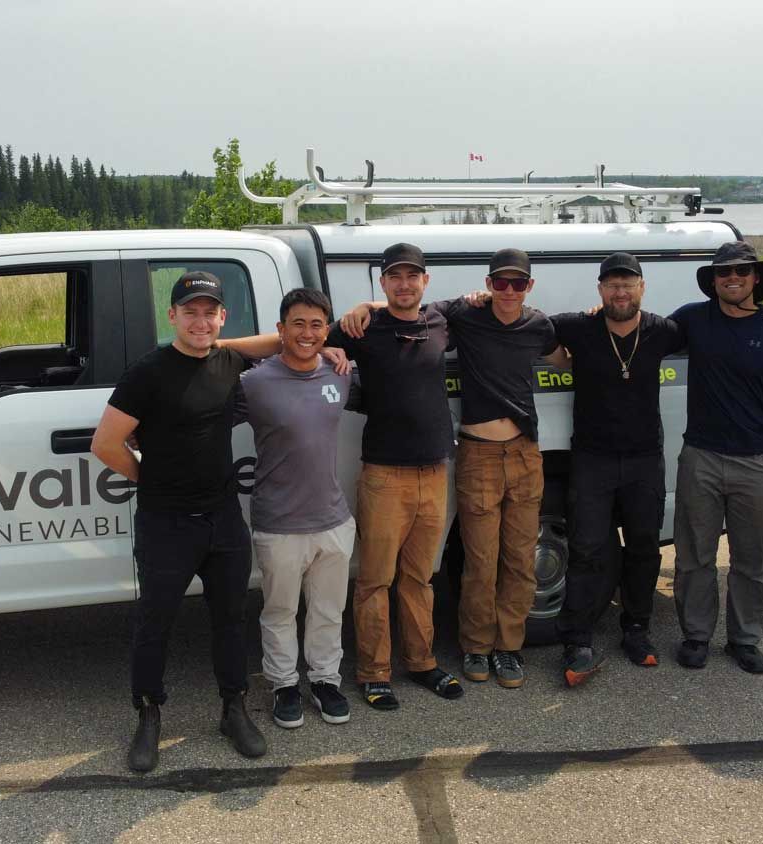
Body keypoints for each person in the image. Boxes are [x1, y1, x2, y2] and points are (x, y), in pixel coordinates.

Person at [341, 248, 565, 690]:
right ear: (487, 283)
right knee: (479, 561)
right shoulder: (463, 315)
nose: (507, 290)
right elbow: (399, 313)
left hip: (525, 452)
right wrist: (364, 305)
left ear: (529, 287)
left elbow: (567, 356)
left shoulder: (538, 324)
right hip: (476, 452)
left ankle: (508, 650)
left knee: (519, 561)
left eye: (517, 283)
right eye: (499, 282)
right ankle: (476, 647)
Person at [91, 270, 267, 773]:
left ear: (223, 317)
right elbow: (104, 445)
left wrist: (344, 332)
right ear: (171, 316)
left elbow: (291, 337)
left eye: (209, 311)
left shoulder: (228, 358)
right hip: (166, 522)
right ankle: (148, 714)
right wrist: (151, 479)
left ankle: (233, 709)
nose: (200, 319)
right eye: (189, 311)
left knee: (230, 619)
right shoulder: (147, 372)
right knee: (155, 623)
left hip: (223, 519)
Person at [323, 242, 465, 710]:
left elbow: (485, 303)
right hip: (385, 474)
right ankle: (374, 671)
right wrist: (332, 351)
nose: (404, 284)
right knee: (375, 580)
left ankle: (421, 662)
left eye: (413, 276)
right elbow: (305, 341)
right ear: (382, 282)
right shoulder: (363, 328)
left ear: (425, 282)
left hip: (435, 471)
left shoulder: (441, 319)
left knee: (420, 578)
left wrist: (488, 296)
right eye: (394, 277)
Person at [669, 241, 763, 674]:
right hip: (701, 458)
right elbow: (640, 332)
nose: (732, 278)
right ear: (713, 281)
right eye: (723, 273)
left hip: (756, 463)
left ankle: (744, 640)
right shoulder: (692, 319)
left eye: (742, 272)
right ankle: (695, 636)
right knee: (694, 555)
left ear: (755, 279)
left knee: (751, 561)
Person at [549, 252, 686, 685]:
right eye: (612, 285)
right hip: (593, 459)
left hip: (645, 458)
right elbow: (528, 324)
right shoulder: (579, 327)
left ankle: (637, 629)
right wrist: (562, 361)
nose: (620, 292)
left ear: (642, 288)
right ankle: (577, 638)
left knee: (645, 547)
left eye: (628, 284)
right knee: (587, 549)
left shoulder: (663, 330)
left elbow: (716, 323)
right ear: (600, 290)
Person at [237, 288, 356, 729]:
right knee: (280, 610)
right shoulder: (254, 383)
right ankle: (284, 686)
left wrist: (332, 349)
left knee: (328, 610)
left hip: (333, 519)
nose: (307, 333)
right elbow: (199, 416)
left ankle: (325, 681)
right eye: (298, 324)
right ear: (280, 329)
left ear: (328, 330)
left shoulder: (340, 373)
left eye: (317, 325)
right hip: (279, 523)